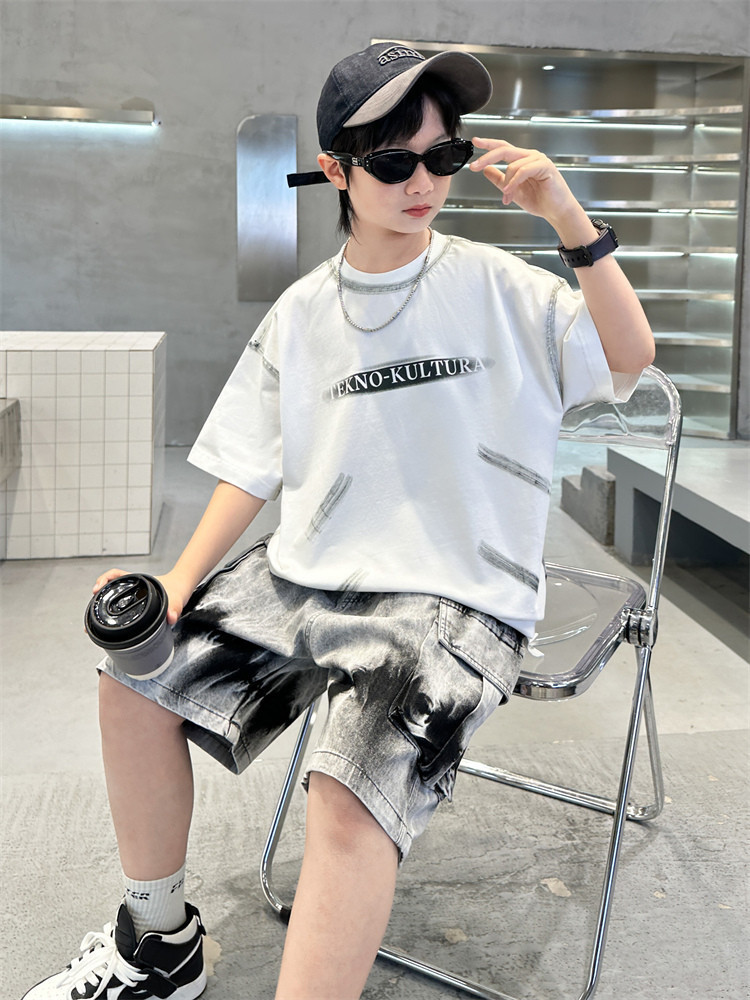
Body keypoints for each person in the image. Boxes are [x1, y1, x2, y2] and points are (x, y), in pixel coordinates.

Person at [22, 41, 654, 1000]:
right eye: (395, 162)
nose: (423, 184)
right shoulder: (302, 311)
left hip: (456, 593)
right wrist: (177, 584)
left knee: (347, 785)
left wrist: (569, 219)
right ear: (337, 172)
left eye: (444, 157)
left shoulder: (502, 287)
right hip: (308, 575)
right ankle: (160, 942)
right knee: (132, 680)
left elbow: (629, 356)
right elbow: (249, 464)